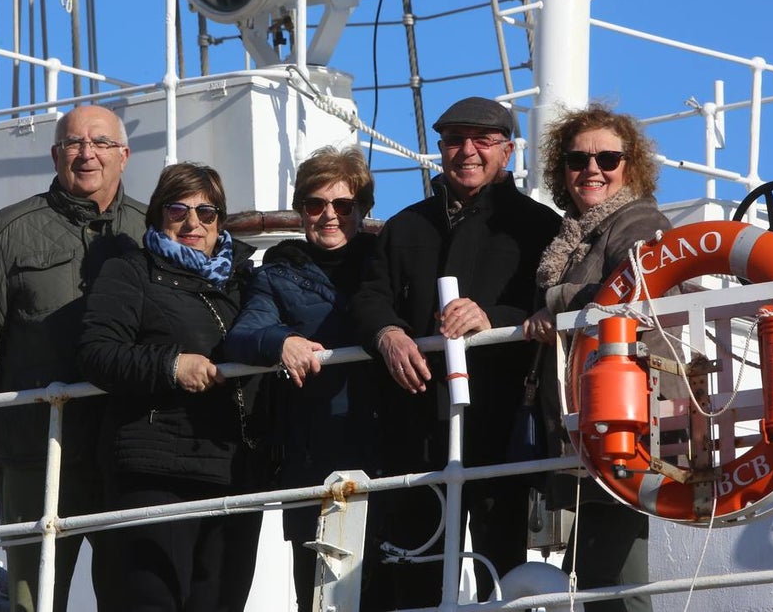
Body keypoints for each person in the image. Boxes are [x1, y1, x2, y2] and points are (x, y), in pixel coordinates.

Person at [351, 96, 561, 607]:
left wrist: (495, 320)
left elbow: (550, 303)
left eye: (483, 141)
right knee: (415, 570)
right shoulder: (406, 227)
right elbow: (369, 297)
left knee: (503, 569)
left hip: (501, 422)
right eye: (454, 140)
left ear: (506, 151)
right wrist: (388, 334)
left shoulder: (537, 226)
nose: (467, 151)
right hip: (417, 427)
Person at [0, 104, 146, 612]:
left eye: (101, 143)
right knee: (31, 601)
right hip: (32, 453)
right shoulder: (9, 231)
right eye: (74, 144)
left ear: (123, 155)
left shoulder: (151, 231)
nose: (87, 154)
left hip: (123, 452)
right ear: (55, 155)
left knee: (131, 595)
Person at [77, 162, 263, 612]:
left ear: (221, 221)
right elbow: (96, 352)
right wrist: (171, 366)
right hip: (155, 471)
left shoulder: (246, 283)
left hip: (236, 474)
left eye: (207, 212)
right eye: (179, 210)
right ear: (159, 214)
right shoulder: (132, 271)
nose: (193, 222)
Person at [522, 105, 672, 612]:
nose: (592, 169)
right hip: (590, 415)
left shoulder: (638, 218)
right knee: (597, 568)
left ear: (630, 166)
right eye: (577, 159)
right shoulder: (573, 235)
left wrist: (553, 304)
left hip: (627, 413)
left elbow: (628, 291)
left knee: (614, 570)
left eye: (608, 157)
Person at [224, 145, 379, 612]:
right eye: (315, 204)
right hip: (313, 455)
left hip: (386, 447)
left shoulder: (387, 265)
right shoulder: (277, 274)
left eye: (343, 205)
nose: (329, 215)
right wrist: (279, 341)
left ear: (362, 211)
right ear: (300, 212)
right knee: (318, 593)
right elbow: (242, 337)